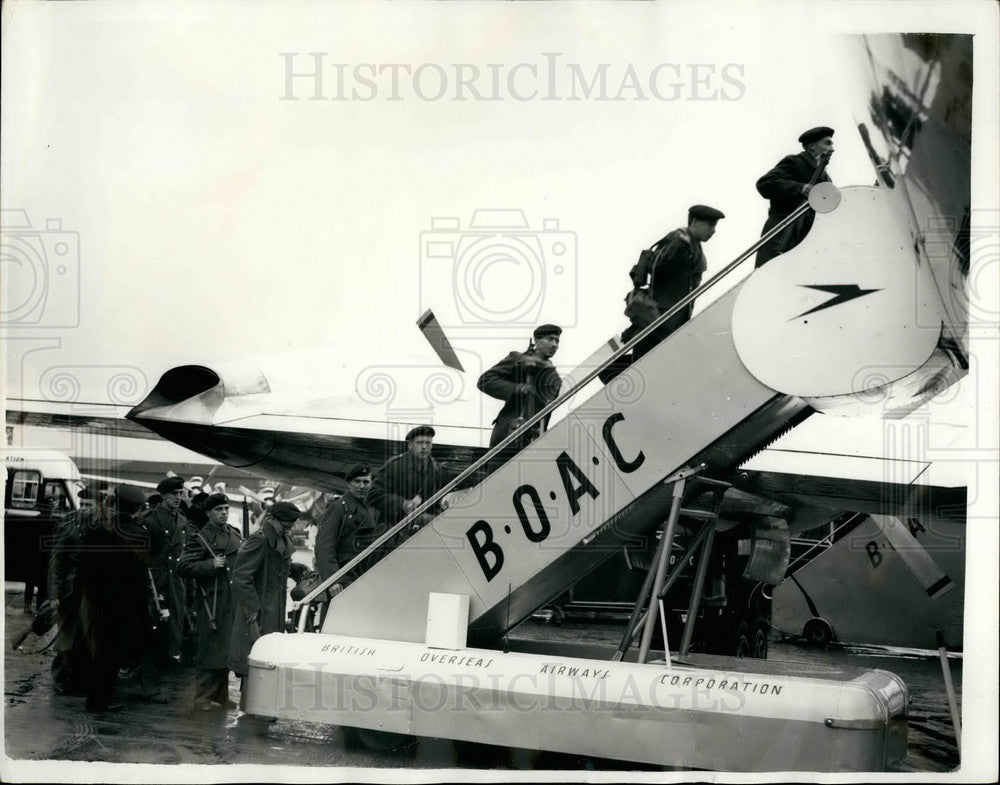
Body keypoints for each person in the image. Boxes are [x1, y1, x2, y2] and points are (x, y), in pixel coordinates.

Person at [76, 485, 152, 713]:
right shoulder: (139, 534)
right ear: (136, 508)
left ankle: (95, 699)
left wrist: (79, 598)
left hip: (97, 602)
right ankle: (102, 701)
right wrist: (142, 609)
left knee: (99, 651)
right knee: (114, 654)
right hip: (124, 606)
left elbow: (83, 570)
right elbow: (140, 578)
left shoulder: (98, 530)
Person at [228, 500, 302, 703]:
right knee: (253, 657)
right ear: (272, 519)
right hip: (258, 610)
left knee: (266, 655)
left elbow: (277, 565)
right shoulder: (259, 540)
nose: (289, 527)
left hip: (273, 608)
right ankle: (251, 705)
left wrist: (297, 569)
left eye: (291, 523)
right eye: (286, 523)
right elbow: (242, 577)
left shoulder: (281, 538)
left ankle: (258, 704)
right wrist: (252, 607)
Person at [628, 205, 724, 360]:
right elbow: (658, 266)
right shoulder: (679, 239)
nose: (713, 231)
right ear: (695, 223)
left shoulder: (694, 245)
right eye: (711, 225)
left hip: (672, 321)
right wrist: (680, 245)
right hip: (659, 320)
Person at [177, 493, 242, 711]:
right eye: (218, 509)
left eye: (225, 508)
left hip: (231, 599)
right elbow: (183, 567)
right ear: (208, 513)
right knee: (209, 649)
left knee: (226, 649)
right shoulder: (201, 538)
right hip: (211, 601)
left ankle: (221, 696)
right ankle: (202, 698)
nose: (224, 512)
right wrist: (210, 565)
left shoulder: (234, 533)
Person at [754, 126, 835, 267]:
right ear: (811, 146)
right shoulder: (795, 162)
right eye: (827, 143)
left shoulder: (826, 178)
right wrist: (800, 188)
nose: (832, 149)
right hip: (781, 232)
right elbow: (765, 184)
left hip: (807, 238)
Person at [477, 324, 563, 452]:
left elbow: (546, 413)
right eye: (550, 339)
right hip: (509, 433)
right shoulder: (518, 359)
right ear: (537, 340)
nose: (555, 344)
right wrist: (518, 388)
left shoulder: (554, 379)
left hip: (534, 439)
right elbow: (485, 381)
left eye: (557, 341)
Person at [315, 465, 383, 602]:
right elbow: (324, 547)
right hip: (343, 578)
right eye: (357, 481)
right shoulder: (338, 508)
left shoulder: (371, 509)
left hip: (365, 576)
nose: (362, 486)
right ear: (349, 483)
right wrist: (333, 580)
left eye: (366, 482)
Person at [142, 476, 191, 664]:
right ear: (163, 495)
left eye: (181, 493)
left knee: (176, 620)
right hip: (157, 579)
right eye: (174, 494)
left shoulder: (183, 521)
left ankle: (171, 657)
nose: (179, 497)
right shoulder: (151, 520)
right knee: (154, 620)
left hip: (177, 579)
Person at [369, 426, 448, 532]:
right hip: (393, 532)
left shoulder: (436, 469)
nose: (424, 447)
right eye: (419, 443)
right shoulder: (395, 466)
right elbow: (373, 495)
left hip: (421, 533)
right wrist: (403, 504)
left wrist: (442, 508)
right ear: (410, 445)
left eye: (428, 443)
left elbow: (435, 501)